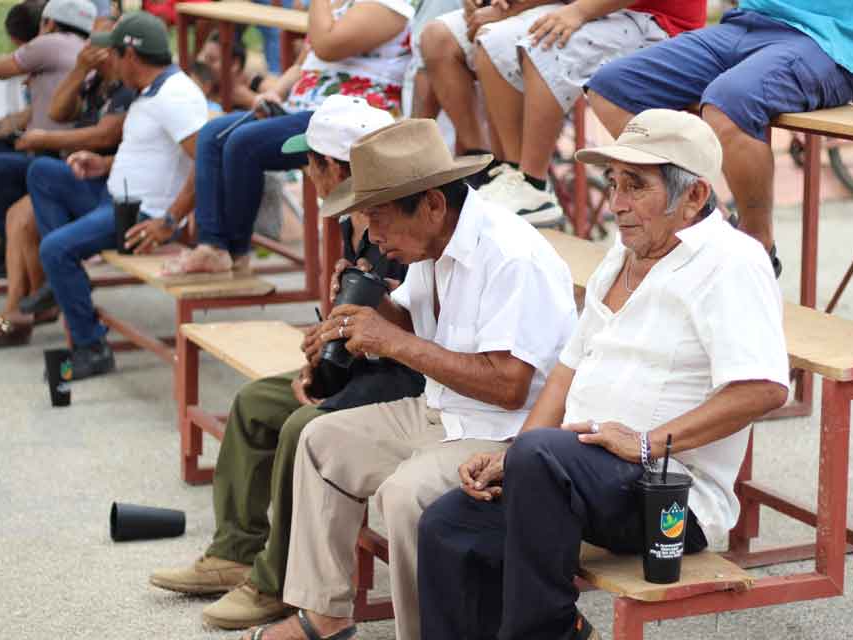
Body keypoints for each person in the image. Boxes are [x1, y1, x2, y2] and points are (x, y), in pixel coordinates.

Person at [416, 109, 790, 640]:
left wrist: (645, 443)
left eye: (636, 187)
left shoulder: (733, 263)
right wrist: (511, 459)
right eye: (613, 184)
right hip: (577, 475)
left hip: (669, 496)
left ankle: (552, 633)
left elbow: (765, 388)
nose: (616, 204)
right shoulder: (624, 252)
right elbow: (568, 368)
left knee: (544, 457)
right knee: (446, 528)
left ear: (695, 196)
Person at [241, 118, 576, 640]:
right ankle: (326, 616)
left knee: (406, 495)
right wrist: (369, 310)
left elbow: (510, 384)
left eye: (378, 216)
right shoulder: (427, 244)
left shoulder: (511, 256)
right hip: (444, 412)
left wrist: (390, 339)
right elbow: (416, 329)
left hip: (508, 430)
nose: (372, 235)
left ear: (433, 204)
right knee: (319, 440)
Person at [147, 96, 427, 632]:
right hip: (368, 360)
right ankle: (234, 551)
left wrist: (344, 361)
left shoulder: (404, 218)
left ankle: (277, 583)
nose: (306, 172)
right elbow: (358, 315)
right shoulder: (353, 216)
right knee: (255, 402)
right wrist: (322, 350)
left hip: (410, 376)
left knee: (305, 427)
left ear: (338, 167)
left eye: (312, 161)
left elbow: (421, 333)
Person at [586, 1, 853, 275]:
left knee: (729, 103)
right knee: (611, 87)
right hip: (744, 24)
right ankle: (705, 215)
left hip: (825, 42)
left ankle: (756, 250)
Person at [163, 0, 416, 275]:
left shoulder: (390, 6)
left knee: (243, 143)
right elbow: (304, 62)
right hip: (305, 110)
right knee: (213, 135)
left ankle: (234, 251)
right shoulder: (336, 5)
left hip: (348, 118)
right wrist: (276, 93)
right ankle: (211, 245)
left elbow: (326, 45)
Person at [30, 11, 207, 379]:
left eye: (111, 53)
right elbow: (150, 154)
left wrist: (169, 220)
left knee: (54, 249)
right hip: (112, 196)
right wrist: (102, 163)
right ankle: (63, 278)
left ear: (130, 56)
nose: (106, 60)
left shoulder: (176, 96)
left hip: (141, 217)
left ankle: (91, 345)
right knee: (43, 173)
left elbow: (207, 163)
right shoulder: (151, 90)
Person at [472, 1, 705, 222]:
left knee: (544, 43)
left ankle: (534, 183)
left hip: (658, 22)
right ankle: (516, 175)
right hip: (608, 14)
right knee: (494, 39)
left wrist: (578, 11)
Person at [0, 21, 135, 348]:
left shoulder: (127, 86)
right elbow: (58, 110)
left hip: (105, 183)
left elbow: (107, 134)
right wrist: (79, 70)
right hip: (79, 174)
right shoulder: (95, 81)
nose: (90, 51)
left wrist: (47, 137)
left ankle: (33, 303)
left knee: (24, 214)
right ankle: (32, 301)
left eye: (98, 47)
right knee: (12, 197)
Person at [0, 0, 96, 274]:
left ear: (50, 23)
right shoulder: (83, 47)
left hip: (53, 151)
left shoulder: (50, 43)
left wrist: (30, 52)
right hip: (60, 146)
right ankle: (2, 244)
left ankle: (3, 244)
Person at [195, 31, 276, 112]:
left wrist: (251, 100)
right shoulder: (204, 84)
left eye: (212, 60)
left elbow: (283, 111)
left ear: (234, 64)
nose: (204, 64)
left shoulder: (260, 85)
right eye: (204, 58)